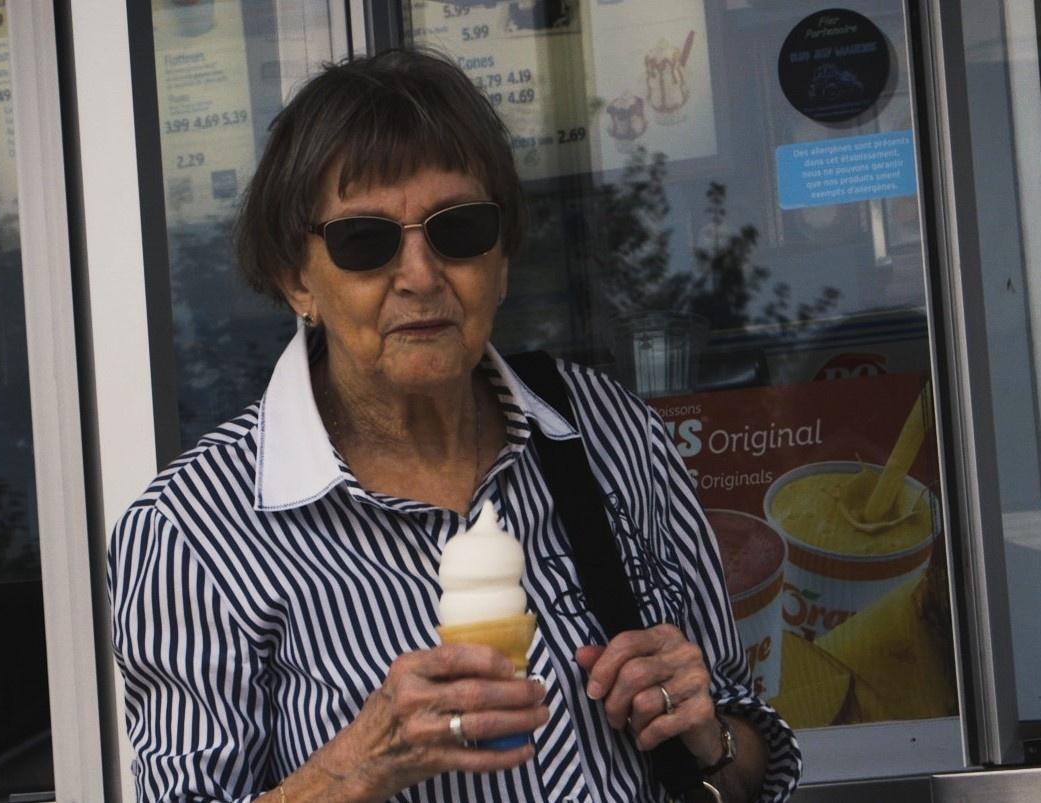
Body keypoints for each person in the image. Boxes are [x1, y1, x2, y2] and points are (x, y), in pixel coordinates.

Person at [108, 49, 801, 802]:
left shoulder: (604, 432)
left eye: (459, 229)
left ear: (500, 260)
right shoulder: (192, 530)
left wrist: (709, 735)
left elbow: (740, 754)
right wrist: (356, 766)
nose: (420, 273)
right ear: (296, 277)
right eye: (365, 241)